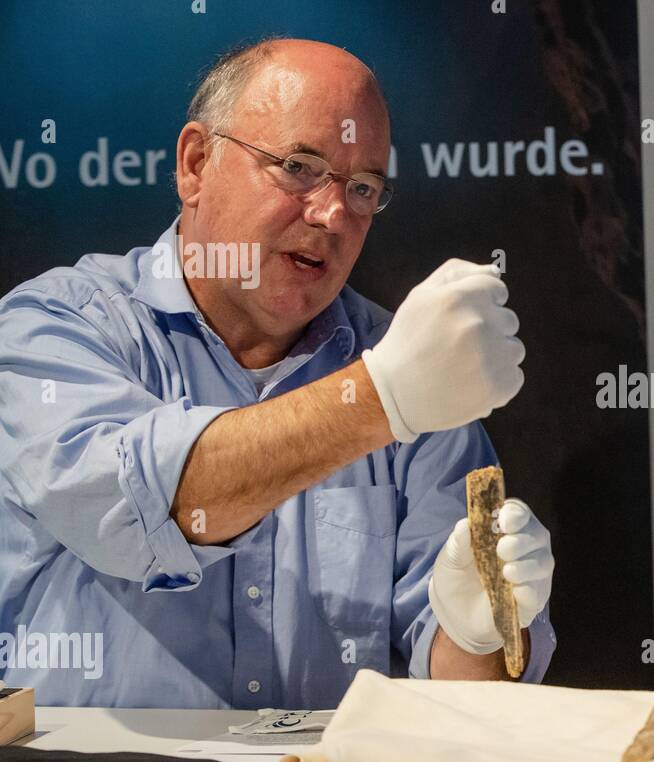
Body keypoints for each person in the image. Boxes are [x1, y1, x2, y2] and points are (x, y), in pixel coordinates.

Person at [0, 38, 556, 708]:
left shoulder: (411, 370)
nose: (332, 215)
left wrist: (473, 629)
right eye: (298, 167)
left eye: (362, 187)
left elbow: (472, 703)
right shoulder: (54, 329)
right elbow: (151, 508)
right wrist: (381, 398)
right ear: (195, 163)